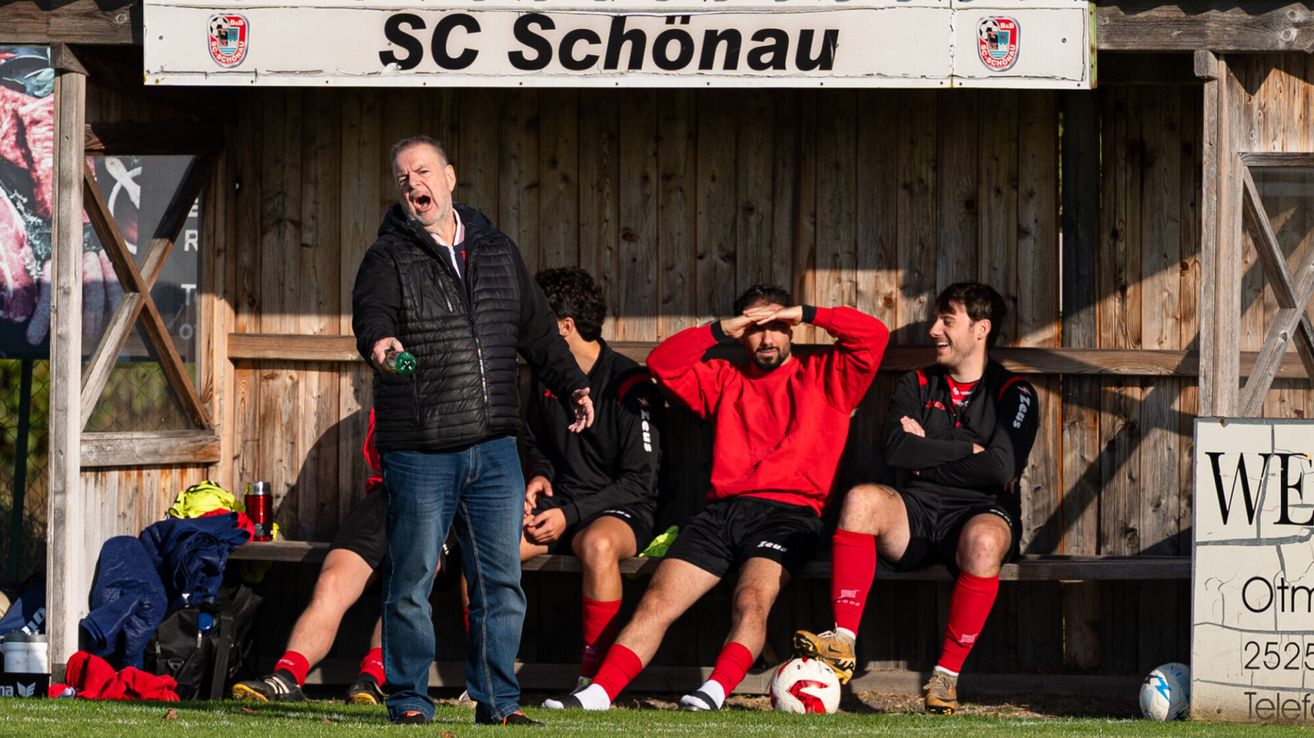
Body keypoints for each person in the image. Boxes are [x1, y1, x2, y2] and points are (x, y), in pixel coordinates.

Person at [545, 285, 889, 712]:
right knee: (658, 599)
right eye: (755, 328)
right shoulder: (725, 378)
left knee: (752, 600)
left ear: (792, 330)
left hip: (790, 515)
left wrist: (807, 312)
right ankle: (597, 694)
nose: (767, 338)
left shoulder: (830, 376)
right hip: (721, 513)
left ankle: (714, 691)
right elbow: (663, 363)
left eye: (778, 327)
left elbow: (873, 335)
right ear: (741, 333)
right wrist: (722, 329)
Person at [351, 135, 593, 727]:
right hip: (421, 450)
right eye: (404, 177)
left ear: (451, 177)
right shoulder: (387, 257)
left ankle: (499, 704)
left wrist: (573, 387)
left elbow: (538, 334)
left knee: (501, 584)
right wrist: (383, 348)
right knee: (411, 580)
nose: (414, 185)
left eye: (424, 172)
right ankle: (408, 700)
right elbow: (372, 321)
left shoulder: (498, 251)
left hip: (495, 448)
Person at [793, 282, 1039, 715]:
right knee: (861, 501)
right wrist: (968, 450)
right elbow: (895, 450)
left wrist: (928, 453)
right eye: (935, 320)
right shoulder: (917, 381)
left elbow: (1001, 468)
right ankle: (842, 641)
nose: (933, 331)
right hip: (917, 510)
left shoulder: (1013, 393)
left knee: (984, 543)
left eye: (947, 321)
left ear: (981, 329)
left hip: (981, 510)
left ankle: (945, 677)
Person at [230, 412, 453, 706]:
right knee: (332, 582)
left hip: (444, 504)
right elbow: (378, 449)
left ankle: (372, 679)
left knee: (406, 585)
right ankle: (287, 675)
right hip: (387, 497)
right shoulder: (395, 379)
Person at [518, 267, 662, 689]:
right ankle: (487, 675)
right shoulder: (545, 379)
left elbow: (641, 481)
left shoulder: (628, 383)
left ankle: (591, 678)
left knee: (596, 544)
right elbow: (533, 441)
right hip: (560, 505)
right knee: (490, 545)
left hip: (622, 508)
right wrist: (539, 475)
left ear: (563, 327)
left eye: (536, 321)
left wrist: (572, 512)